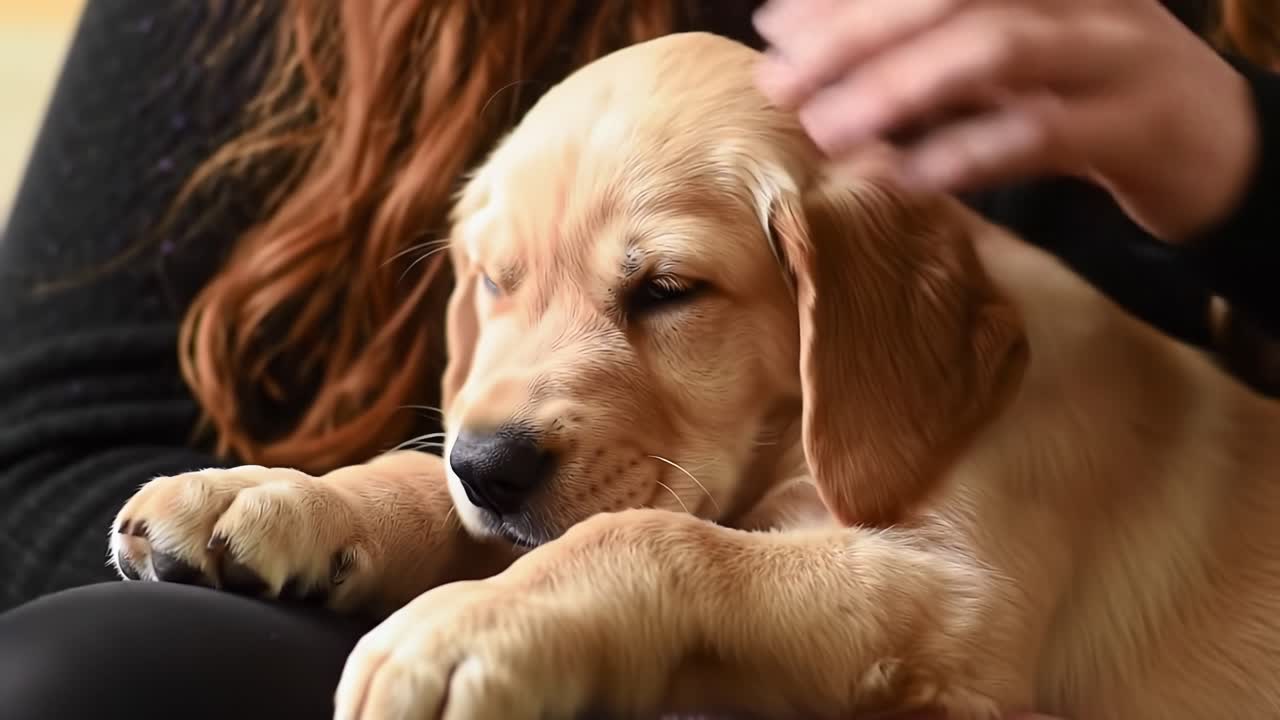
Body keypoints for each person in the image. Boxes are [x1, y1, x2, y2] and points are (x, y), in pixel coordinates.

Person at [0, 0, 1274, 718]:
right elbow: (42, 459)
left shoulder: (977, 333)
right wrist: (363, 508)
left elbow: (932, 618)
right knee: (75, 677)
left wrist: (1242, 161)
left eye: (660, 288)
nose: (500, 411)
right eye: (494, 283)